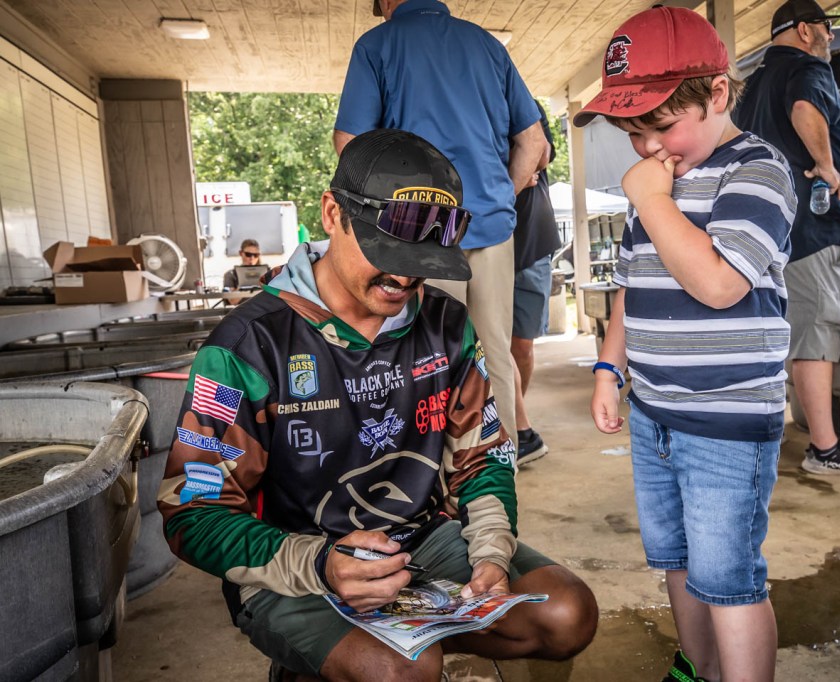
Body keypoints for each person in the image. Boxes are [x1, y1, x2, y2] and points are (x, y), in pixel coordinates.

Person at [159, 129, 597, 681]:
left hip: (425, 539)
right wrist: (320, 563)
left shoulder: (447, 325)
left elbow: (482, 458)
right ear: (332, 213)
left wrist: (491, 554)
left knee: (567, 615)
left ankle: (387, 647)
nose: (405, 276)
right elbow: (193, 511)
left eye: (421, 258)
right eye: (387, 251)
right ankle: (320, 663)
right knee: (401, 670)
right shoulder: (246, 346)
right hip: (295, 562)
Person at [576, 7, 794, 681]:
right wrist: (608, 368)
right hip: (655, 415)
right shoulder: (657, 185)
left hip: (727, 419)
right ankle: (697, 669)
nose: (647, 148)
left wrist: (653, 201)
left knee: (728, 577)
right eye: (633, 134)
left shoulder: (756, 171)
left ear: (718, 93)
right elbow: (632, 286)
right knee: (675, 559)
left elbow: (721, 284)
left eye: (662, 127)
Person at [333, 0, 549, 453]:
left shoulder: (377, 45)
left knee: (427, 358)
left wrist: (382, 218)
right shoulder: (487, 45)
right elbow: (533, 141)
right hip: (491, 227)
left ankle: (432, 479)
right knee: (494, 354)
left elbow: (350, 143)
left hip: (418, 231)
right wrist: (499, 196)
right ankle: (498, 470)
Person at [734, 0, 840, 476]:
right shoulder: (807, 68)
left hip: (771, 229)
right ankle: (824, 448)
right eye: (826, 28)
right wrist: (827, 165)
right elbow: (804, 108)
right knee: (818, 327)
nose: (831, 36)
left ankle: (773, 429)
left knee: (783, 330)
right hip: (815, 228)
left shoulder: (752, 84)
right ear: (805, 30)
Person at [511, 99, 561, 465]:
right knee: (490, 344)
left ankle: (515, 422)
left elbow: (541, 153)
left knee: (522, 346)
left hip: (532, 242)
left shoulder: (525, 103)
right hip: (484, 242)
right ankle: (517, 428)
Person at [223, 238, 263, 305]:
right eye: (248, 254)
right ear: (241, 253)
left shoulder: (265, 273)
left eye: (256, 255)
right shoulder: (231, 275)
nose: (252, 258)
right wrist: (244, 285)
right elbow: (232, 301)